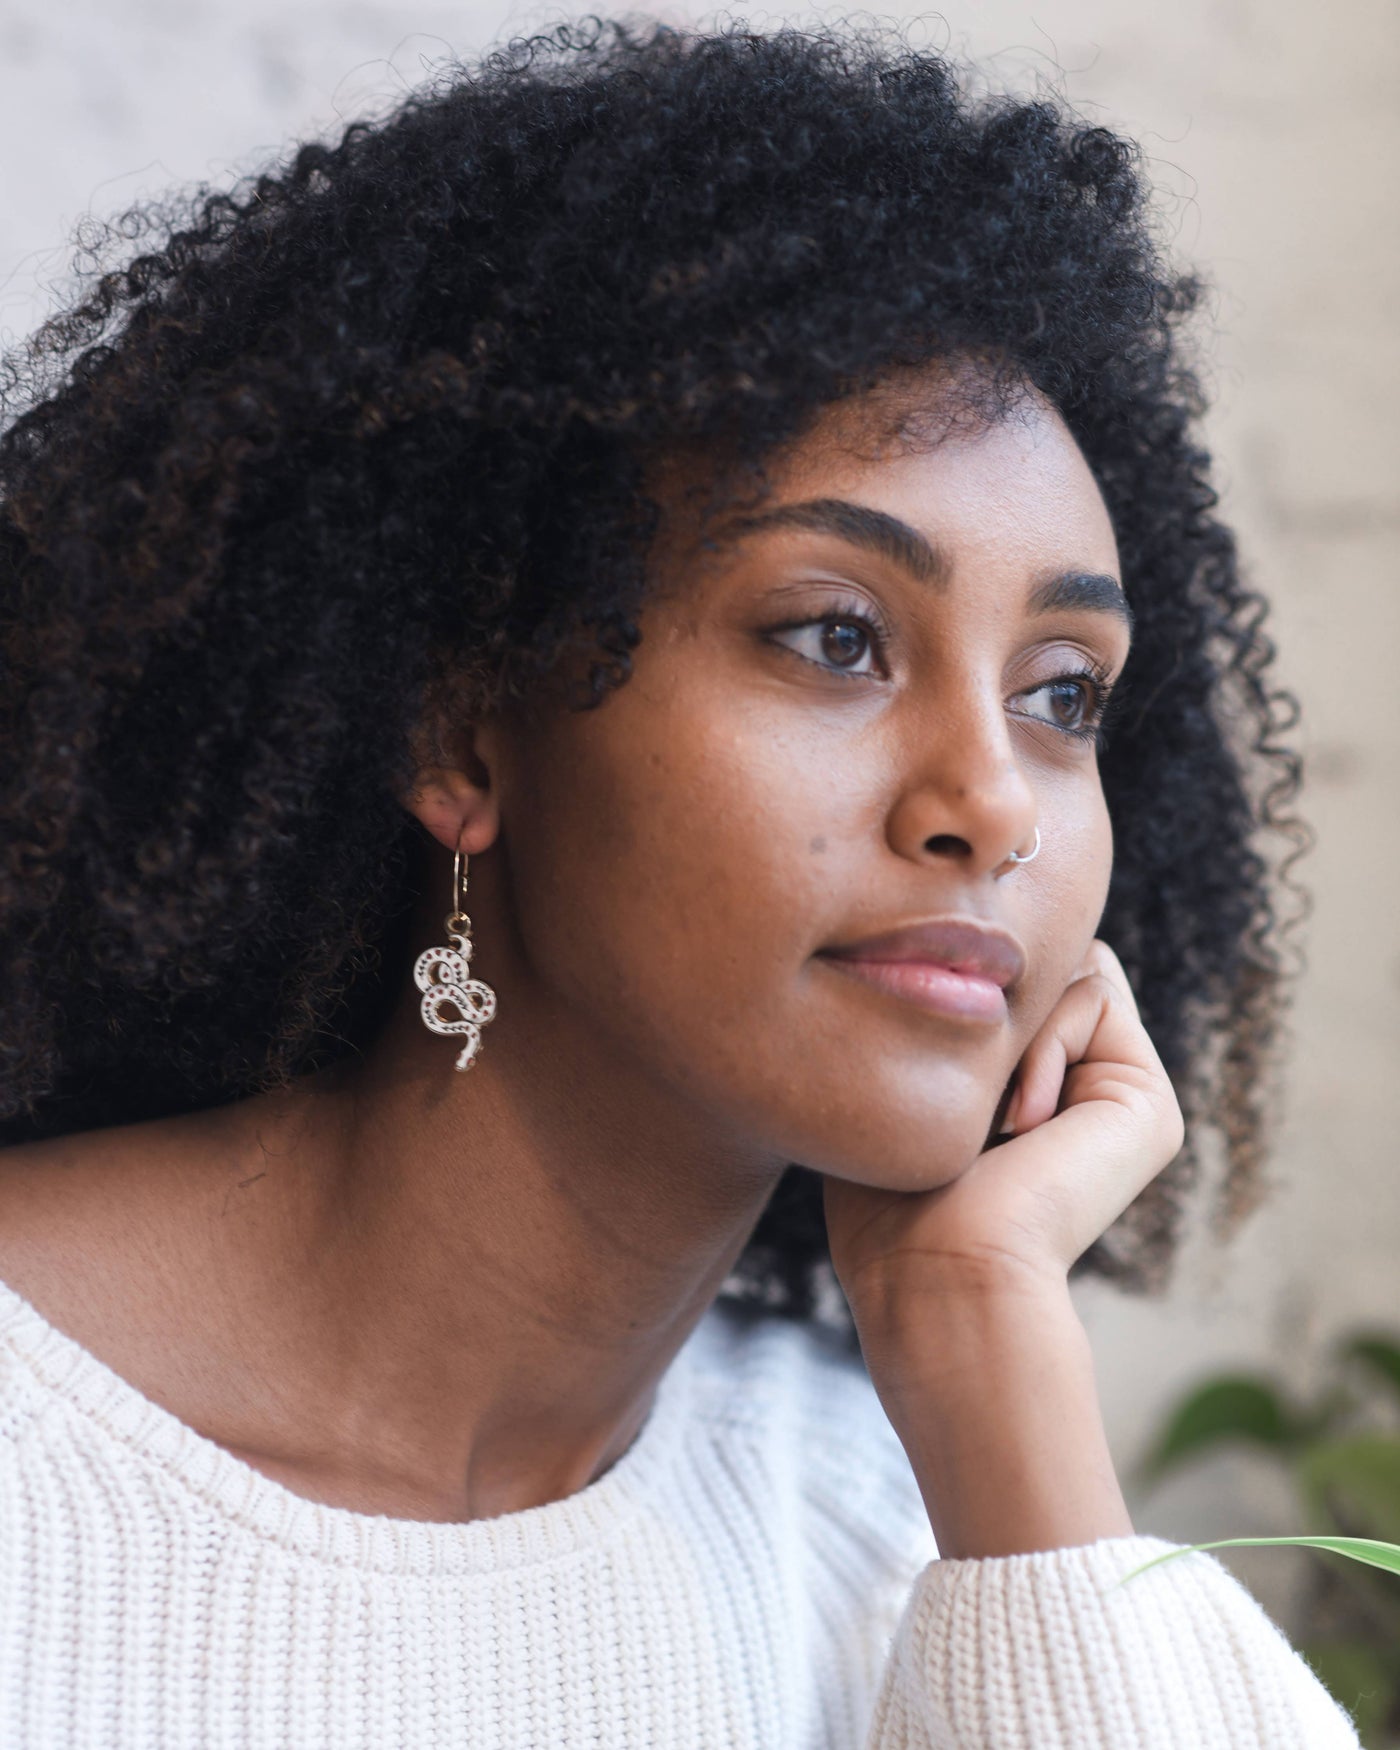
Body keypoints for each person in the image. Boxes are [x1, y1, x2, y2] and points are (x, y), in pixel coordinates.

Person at [0, 14, 1359, 1747]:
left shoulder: (932, 1533)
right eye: (837, 637)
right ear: (464, 734)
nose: (993, 802)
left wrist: (979, 1346)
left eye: (1064, 693)